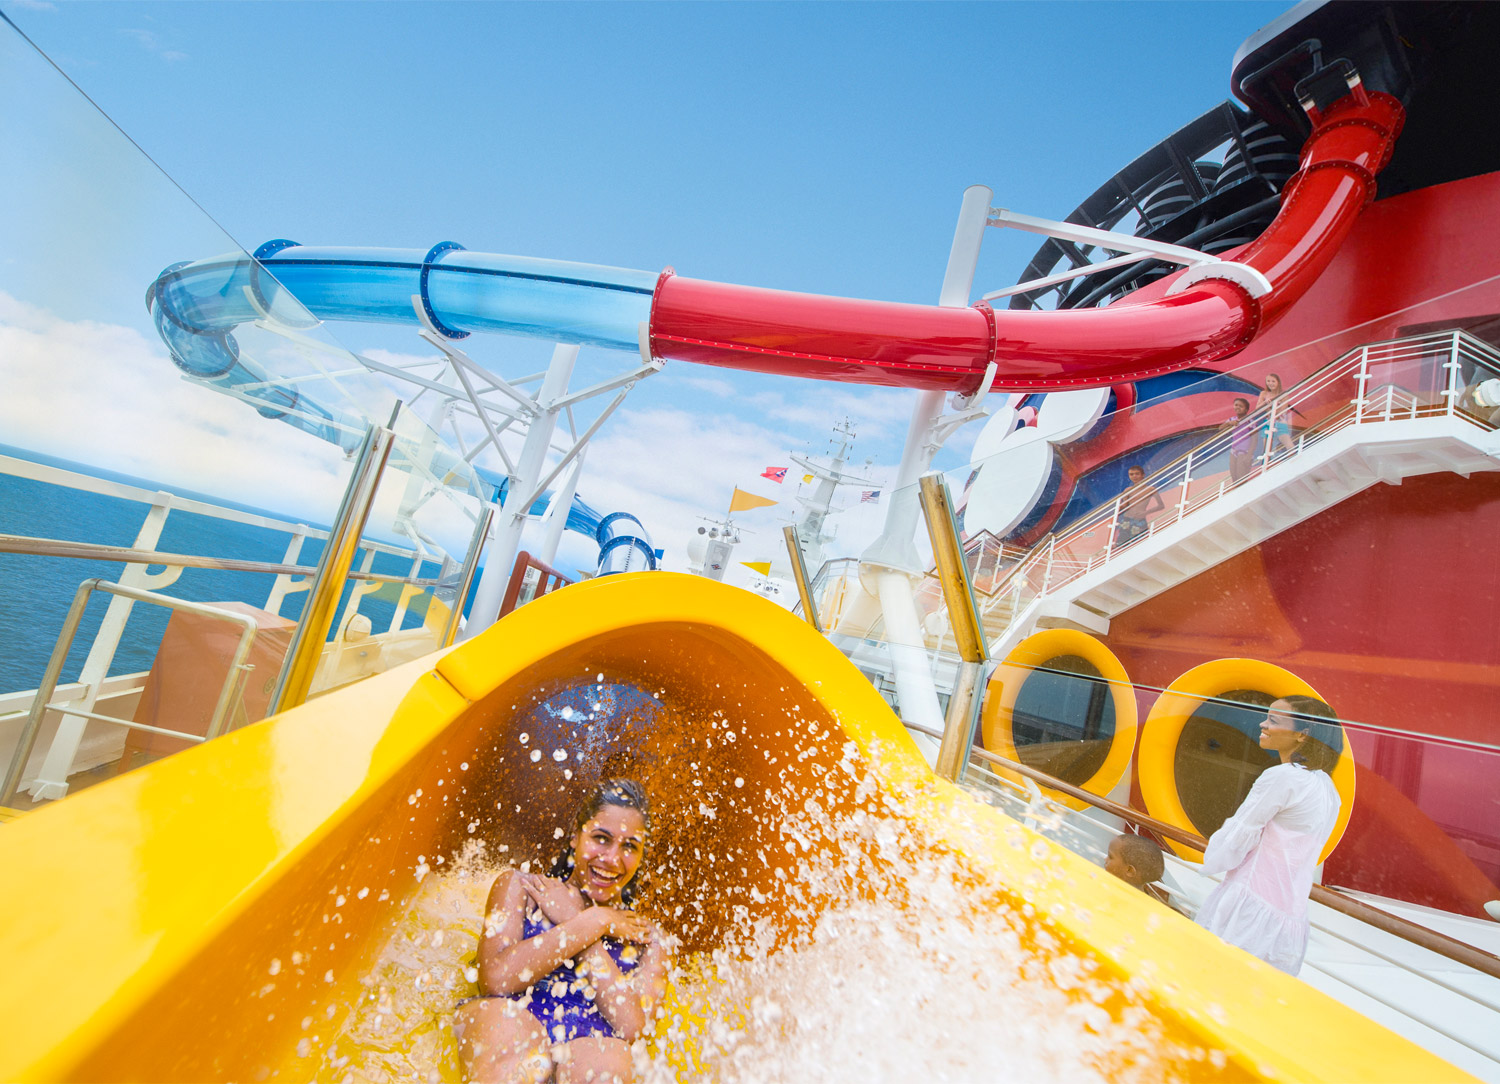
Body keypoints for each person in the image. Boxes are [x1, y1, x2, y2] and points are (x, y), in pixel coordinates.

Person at [454, 779, 671, 1084]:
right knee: (507, 1028)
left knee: (606, 1062)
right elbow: (496, 980)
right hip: (509, 1034)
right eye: (601, 838)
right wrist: (593, 922)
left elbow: (634, 1028)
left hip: (591, 1055)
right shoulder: (524, 888)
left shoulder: (647, 937)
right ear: (575, 836)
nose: (612, 858)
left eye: (629, 847)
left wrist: (584, 921)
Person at [1194, 696, 1342, 975]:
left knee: (1214, 977)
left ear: (1302, 734)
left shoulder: (1283, 776)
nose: (1263, 724)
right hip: (1290, 916)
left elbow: (1238, 836)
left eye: (1273, 720)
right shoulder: (1327, 787)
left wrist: (1211, 860)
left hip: (1250, 906)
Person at [1105, 832, 1173, 907]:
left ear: (1130, 870)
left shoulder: (1122, 904)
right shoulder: (1145, 902)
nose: (1105, 859)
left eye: (1110, 857)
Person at [1114, 465, 1165, 546]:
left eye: (1137, 474)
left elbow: (1161, 505)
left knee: (1141, 543)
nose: (1134, 476)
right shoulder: (1127, 490)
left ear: (1143, 475)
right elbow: (1125, 506)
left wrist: (1145, 513)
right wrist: (1115, 509)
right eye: (1131, 474)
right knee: (1121, 543)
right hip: (1127, 519)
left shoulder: (1150, 489)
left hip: (1140, 519)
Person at [1255, 373, 1302, 458]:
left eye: (1273, 381)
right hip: (1267, 422)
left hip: (1280, 422)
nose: (1270, 383)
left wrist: (1270, 406)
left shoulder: (1283, 394)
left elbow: (1282, 411)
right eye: (1268, 381)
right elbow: (1257, 408)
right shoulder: (1264, 393)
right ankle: (1269, 463)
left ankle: (1295, 460)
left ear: (1278, 382)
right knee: (1267, 449)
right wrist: (1265, 402)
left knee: (1288, 445)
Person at [1220, 397, 1256, 482]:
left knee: (1241, 476)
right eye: (1236, 405)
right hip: (1234, 450)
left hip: (1245, 451)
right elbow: (1220, 428)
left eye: (1241, 406)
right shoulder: (1232, 419)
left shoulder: (1250, 421)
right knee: (1234, 476)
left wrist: (1249, 454)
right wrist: (1229, 423)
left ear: (1246, 409)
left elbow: (1255, 440)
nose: (1238, 407)